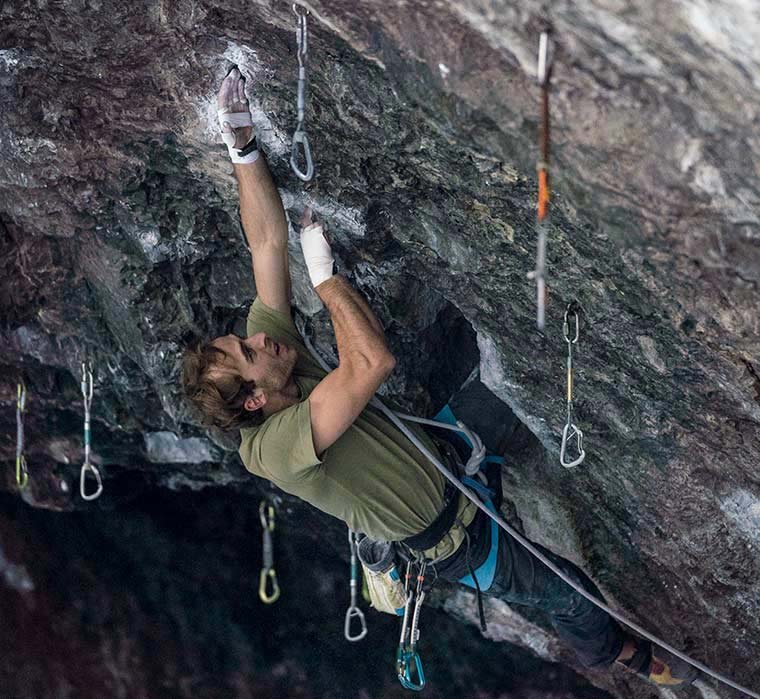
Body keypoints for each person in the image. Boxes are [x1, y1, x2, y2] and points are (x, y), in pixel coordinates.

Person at [181, 67, 698, 688]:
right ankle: (621, 659)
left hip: (450, 451)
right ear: (258, 396)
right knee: (572, 594)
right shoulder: (272, 451)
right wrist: (325, 279)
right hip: (461, 540)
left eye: (243, 337)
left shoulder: (276, 361)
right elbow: (371, 365)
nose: (257, 335)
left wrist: (241, 145)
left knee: (519, 376)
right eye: (247, 349)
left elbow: (264, 242)